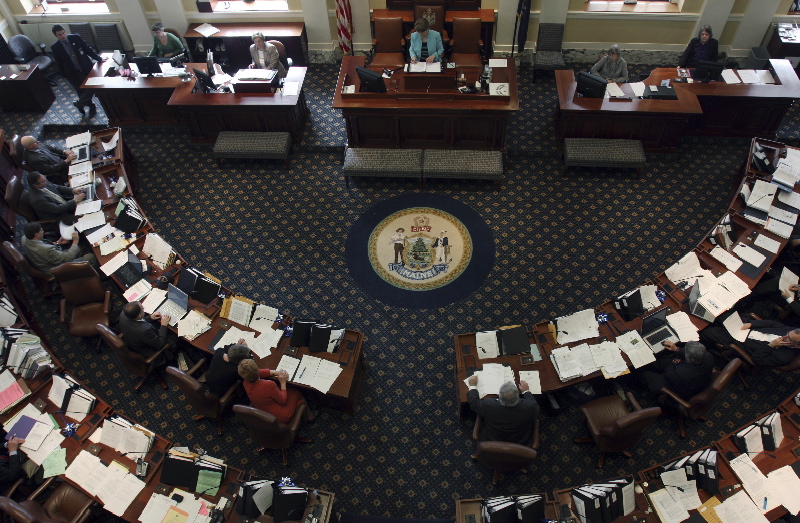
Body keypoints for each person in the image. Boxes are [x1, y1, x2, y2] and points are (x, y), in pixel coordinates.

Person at [50, 24, 105, 118]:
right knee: (81, 92)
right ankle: (90, 107)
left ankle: (79, 103)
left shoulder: (75, 38)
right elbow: (59, 62)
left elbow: (87, 49)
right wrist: (64, 75)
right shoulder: (55, 47)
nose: (63, 36)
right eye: (59, 35)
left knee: (91, 87)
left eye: (63, 33)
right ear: (56, 36)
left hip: (85, 68)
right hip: (72, 72)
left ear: (65, 31)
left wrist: (99, 58)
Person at [467, 376, 539, 446]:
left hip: (491, 440)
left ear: (499, 396)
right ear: (518, 396)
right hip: (520, 443)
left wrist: (472, 385)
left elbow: (474, 403)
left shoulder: (488, 405)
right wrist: (526, 391)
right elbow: (536, 408)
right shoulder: (530, 407)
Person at [237, 359, 314, 424]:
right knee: (295, 392)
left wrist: (274, 372)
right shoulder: (268, 385)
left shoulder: (245, 383)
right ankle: (309, 416)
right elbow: (283, 401)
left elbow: (258, 373)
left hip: (263, 411)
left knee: (285, 390)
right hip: (280, 416)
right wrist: (283, 382)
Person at [702, 317, 800, 367]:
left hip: (741, 342)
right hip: (749, 328)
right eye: (788, 333)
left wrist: (770, 346)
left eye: (789, 339)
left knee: (706, 331)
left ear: (797, 346)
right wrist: (751, 324)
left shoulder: (784, 357)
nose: (784, 336)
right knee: (721, 315)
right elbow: (772, 324)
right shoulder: (794, 332)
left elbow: (757, 361)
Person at [638, 341, 715, 401]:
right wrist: (676, 349)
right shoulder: (709, 356)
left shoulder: (681, 374)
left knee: (645, 374)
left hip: (676, 388)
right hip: (697, 379)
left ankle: (637, 381)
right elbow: (691, 354)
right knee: (662, 361)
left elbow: (668, 373)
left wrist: (674, 362)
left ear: (689, 359)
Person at [21, 223, 96, 276]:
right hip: (56, 268)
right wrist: (75, 241)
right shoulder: (46, 250)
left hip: (43, 260)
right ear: (36, 235)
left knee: (79, 248)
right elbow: (68, 257)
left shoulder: (24, 238)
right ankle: (97, 275)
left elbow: (42, 248)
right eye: (41, 230)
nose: (43, 231)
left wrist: (57, 243)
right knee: (90, 257)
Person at [118, 302, 178, 367]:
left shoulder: (123, 314)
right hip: (151, 352)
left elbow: (135, 321)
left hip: (134, 340)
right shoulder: (144, 331)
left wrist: (150, 317)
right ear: (139, 316)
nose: (144, 309)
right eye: (142, 308)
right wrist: (163, 325)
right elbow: (160, 345)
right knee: (176, 336)